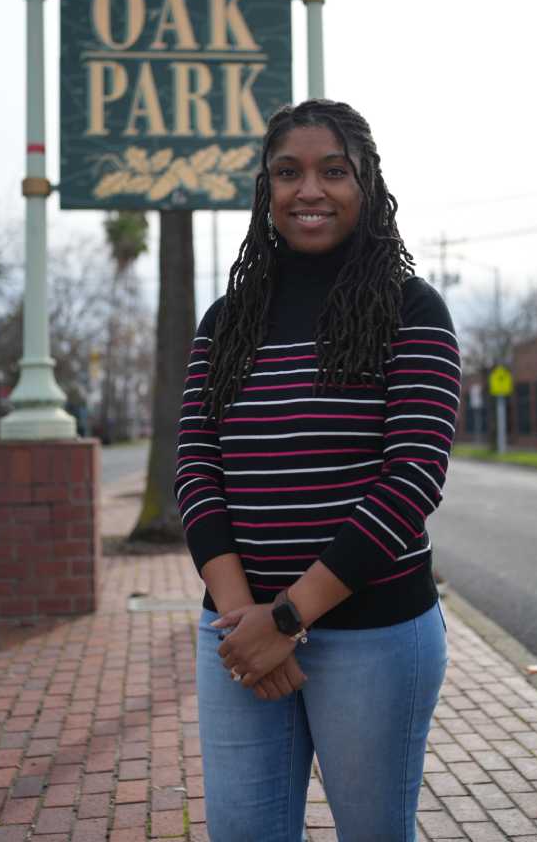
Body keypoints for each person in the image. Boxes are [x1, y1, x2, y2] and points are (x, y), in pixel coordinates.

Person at [175, 99, 461, 842]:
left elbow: (413, 478)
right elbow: (197, 468)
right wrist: (246, 621)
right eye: (288, 172)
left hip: (374, 633)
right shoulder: (227, 320)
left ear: (366, 185)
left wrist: (289, 618)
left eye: (334, 171)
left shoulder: (411, 309)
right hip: (239, 632)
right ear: (265, 191)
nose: (310, 190)